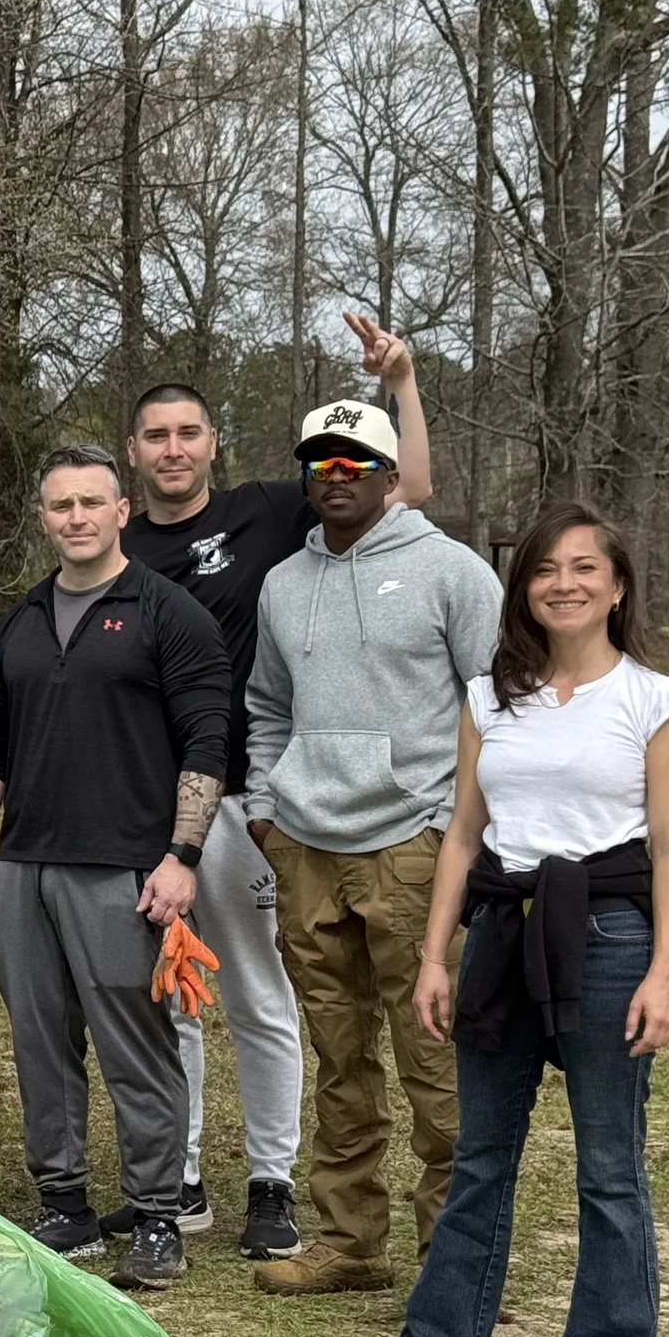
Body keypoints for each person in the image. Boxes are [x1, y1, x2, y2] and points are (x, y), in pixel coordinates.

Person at [363, 505, 669, 1337]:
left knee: (608, 1162)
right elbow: (465, 838)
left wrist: (662, 972)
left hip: (609, 937)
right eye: (547, 569)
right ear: (526, 589)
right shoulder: (488, 698)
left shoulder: (656, 701)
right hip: (503, 936)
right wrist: (437, 955)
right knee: (480, 1153)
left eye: (585, 568)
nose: (564, 583)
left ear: (617, 587)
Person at [120, 310, 433, 1257]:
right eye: (155, 436)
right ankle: (177, 1176)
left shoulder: (265, 511)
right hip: (149, 800)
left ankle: (270, 1181)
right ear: (133, 453)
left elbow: (405, 493)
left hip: (248, 797)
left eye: (188, 433)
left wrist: (402, 385)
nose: (173, 450)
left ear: (213, 443)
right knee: (167, 994)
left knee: (257, 989)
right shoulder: (114, 542)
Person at [0, 445, 231, 1290]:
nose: (75, 517)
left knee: (135, 1044)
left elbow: (208, 740)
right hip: (26, 863)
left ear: (119, 513)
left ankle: (156, 1213)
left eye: (90, 503)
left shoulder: (167, 612)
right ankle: (64, 1201)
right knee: (38, 1039)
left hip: (124, 866)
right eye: (59, 504)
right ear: (44, 517)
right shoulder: (25, 619)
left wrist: (182, 855)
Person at [243, 399, 502, 1295]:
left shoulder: (453, 574)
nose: (336, 474)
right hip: (306, 849)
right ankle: (351, 1240)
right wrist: (267, 814)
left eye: (356, 459)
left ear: (393, 476)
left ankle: (455, 1253)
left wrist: (452, 825)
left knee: (435, 1054)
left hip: (412, 846)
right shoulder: (283, 583)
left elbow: (497, 705)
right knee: (339, 1052)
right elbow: (268, 707)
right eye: (321, 460)